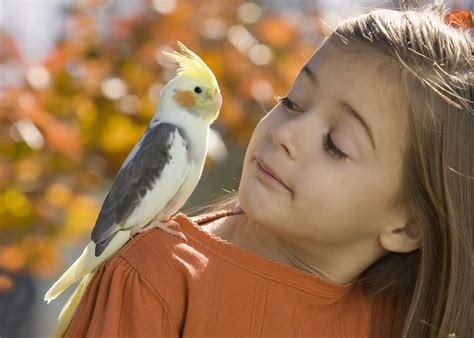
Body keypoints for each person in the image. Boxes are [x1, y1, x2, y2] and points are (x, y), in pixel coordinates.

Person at [64, 3, 473, 337]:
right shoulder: (155, 280)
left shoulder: (405, 322)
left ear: (407, 227)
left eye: (335, 144)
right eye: (292, 102)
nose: (286, 133)